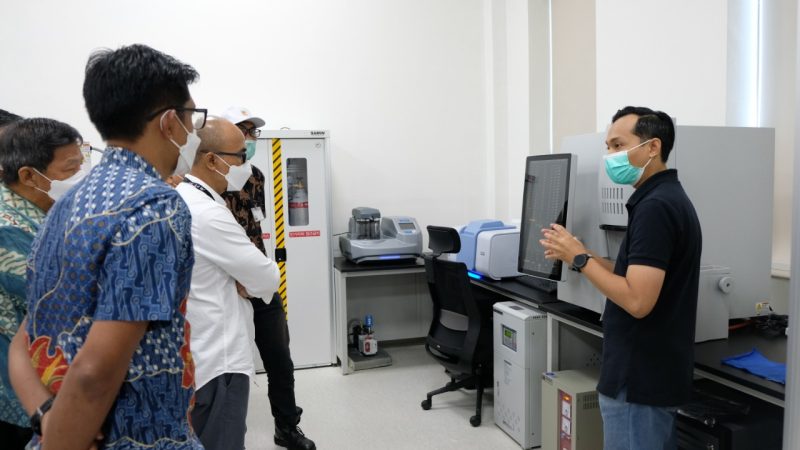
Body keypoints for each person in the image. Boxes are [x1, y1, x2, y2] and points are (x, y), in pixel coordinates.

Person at [8, 44, 205, 450]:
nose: (194, 133)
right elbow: (94, 372)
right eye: (192, 118)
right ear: (170, 122)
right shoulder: (154, 208)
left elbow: (24, 339)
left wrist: (47, 417)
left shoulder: (66, 204)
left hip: (56, 430)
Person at [540, 106, 702, 450]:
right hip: (651, 373)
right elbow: (633, 272)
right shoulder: (663, 198)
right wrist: (581, 254)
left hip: (639, 377)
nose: (610, 156)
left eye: (618, 145)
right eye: (608, 147)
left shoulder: (656, 208)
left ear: (653, 147)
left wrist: (580, 259)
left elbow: (638, 300)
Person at [175, 117, 279, 450]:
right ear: (211, 159)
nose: (245, 165)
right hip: (219, 361)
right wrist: (250, 280)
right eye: (240, 156)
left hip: (198, 352)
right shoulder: (208, 214)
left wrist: (246, 277)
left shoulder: (184, 198)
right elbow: (267, 276)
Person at [220, 106, 316, 450]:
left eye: (253, 132)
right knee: (228, 366)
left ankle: (287, 428)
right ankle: (222, 436)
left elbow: (254, 225)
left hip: (258, 278)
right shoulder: (207, 179)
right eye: (243, 131)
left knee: (279, 359)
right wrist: (235, 278)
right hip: (225, 284)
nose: (250, 138)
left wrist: (258, 273)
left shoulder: (257, 176)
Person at [0, 118, 84, 449]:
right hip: (17, 395)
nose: (81, 176)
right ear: (29, 176)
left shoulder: (44, 211)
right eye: (71, 168)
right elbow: (63, 300)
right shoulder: (9, 230)